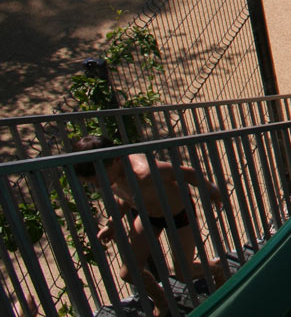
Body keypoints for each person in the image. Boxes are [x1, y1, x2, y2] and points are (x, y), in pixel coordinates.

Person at [73, 135, 230, 317]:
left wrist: (212, 191)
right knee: (128, 272)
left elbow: (188, 173)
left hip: (179, 215)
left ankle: (217, 270)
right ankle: (163, 302)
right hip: (149, 216)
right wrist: (112, 223)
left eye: (98, 180)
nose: (98, 186)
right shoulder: (113, 175)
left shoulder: (145, 171)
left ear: (116, 159)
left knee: (184, 273)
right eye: (92, 183)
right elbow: (124, 195)